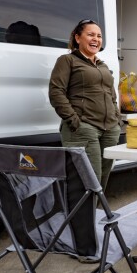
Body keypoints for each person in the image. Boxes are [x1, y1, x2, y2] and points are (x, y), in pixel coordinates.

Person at [49, 19, 122, 192]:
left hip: (109, 128)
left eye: (99, 36)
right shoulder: (67, 60)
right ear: (77, 38)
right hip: (84, 127)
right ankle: (81, 218)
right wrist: (75, 121)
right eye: (90, 35)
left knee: (102, 180)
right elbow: (56, 92)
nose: (95, 39)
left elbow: (111, 94)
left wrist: (117, 119)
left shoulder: (102, 65)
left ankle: (93, 216)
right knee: (89, 181)